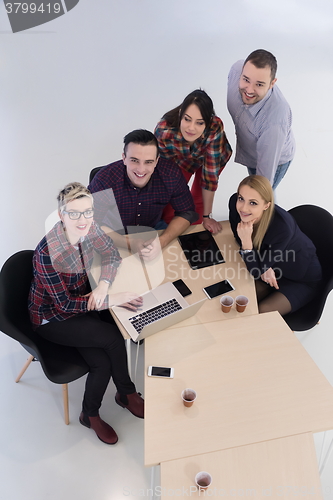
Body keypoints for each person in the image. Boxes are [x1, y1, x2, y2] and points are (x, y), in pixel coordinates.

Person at [28, 182, 144, 445]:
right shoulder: (47, 254)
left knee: (101, 362)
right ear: (61, 215)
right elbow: (65, 306)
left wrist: (103, 286)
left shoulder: (91, 228)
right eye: (74, 213)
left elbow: (112, 256)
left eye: (88, 212)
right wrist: (112, 299)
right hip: (51, 316)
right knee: (113, 337)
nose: (83, 219)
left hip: (84, 300)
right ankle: (125, 394)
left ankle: (90, 413)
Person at [88, 129, 198, 261]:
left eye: (148, 162)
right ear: (124, 158)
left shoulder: (171, 174)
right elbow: (90, 224)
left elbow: (186, 212)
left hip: (153, 228)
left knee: (180, 265)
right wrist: (129, 243)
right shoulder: (104, 179)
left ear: (157, 161)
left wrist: (162, 241)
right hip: (113, 233)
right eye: (134, 160)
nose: (141, 169)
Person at [229, 175, 322, 316]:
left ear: (266, 205)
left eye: (253, 203)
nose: (243, 208)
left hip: (300, 278)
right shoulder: (234, 204)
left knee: (262, 313)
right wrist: (264, 266)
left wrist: (248, 244)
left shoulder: (282, 228)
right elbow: (238, 238)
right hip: (270, 268)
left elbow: (254, 269)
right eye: (241, 198)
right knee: (238, 296)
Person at [154, 89, 232, 234]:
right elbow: (166, 176)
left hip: (211, 159)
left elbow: (209, 178)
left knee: (198, 197)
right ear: (180, 115)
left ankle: (192, 233)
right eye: (187, 119)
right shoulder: (164, 131)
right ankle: (171, 231)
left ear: (207, 123)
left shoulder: (215, 127)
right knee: (173, 197)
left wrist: (207, 217)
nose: (191, 128)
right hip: (181, 160)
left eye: (199, 123)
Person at [227, 49, 295, 189]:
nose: (249, 90)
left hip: (274, 160)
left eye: (259, 84)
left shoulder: (274, 122)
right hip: (252, 151)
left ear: (272, 83)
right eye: (246, 79)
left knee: (262, 197)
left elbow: (263, 184)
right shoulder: (236, 70)